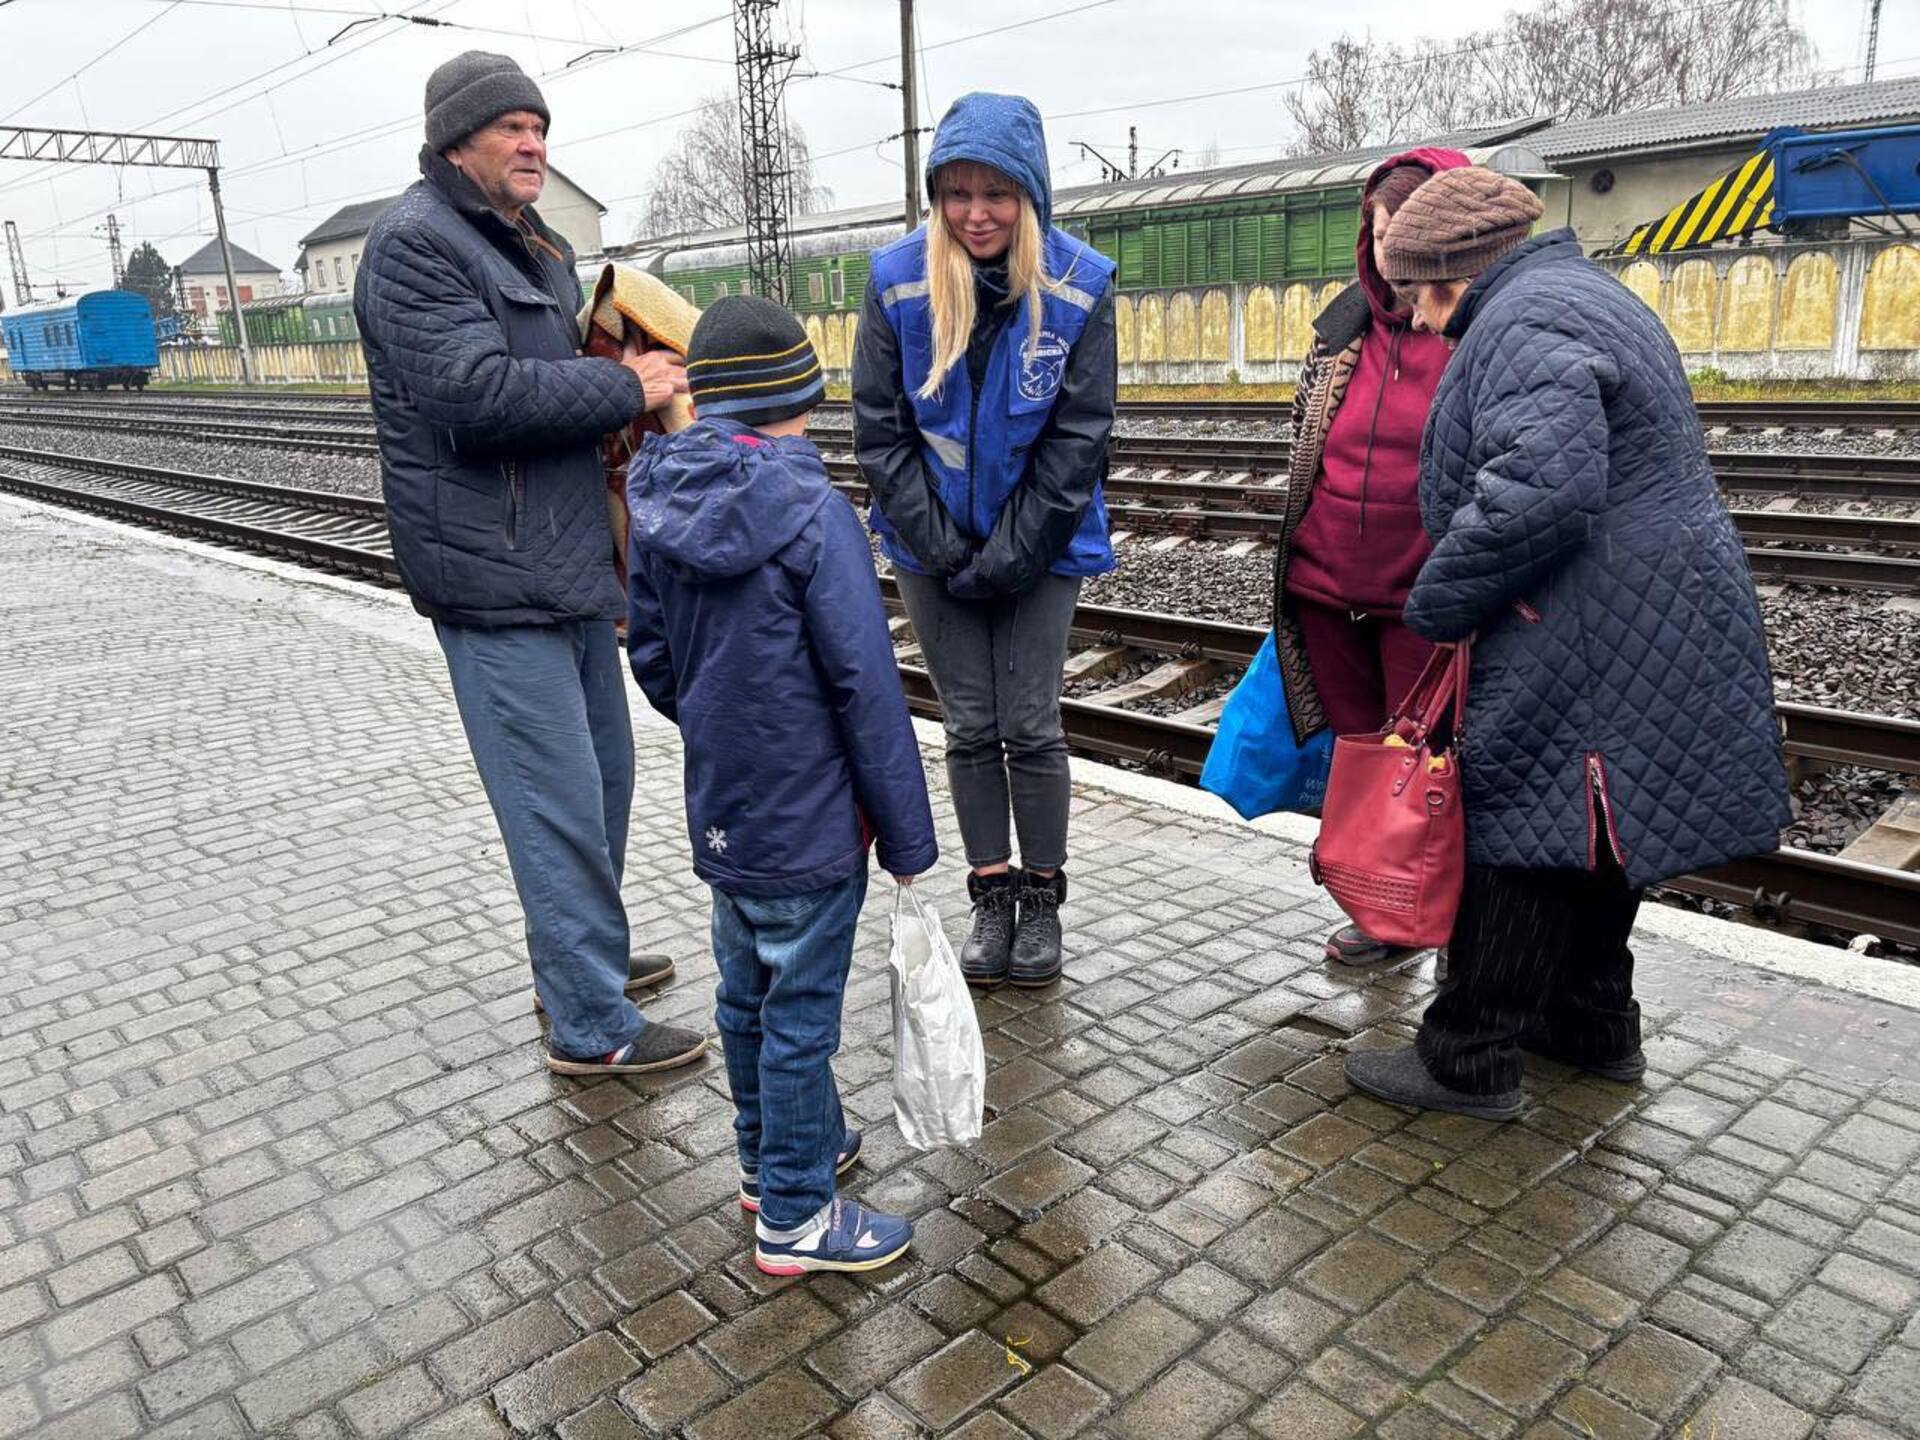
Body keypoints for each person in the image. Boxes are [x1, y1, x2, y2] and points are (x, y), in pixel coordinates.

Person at [1344, 167, 1791, 1120]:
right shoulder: (1582, 294)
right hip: (1645, 612)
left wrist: (1440, 601)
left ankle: (1468, 1058)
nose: (1414, 316)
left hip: (1583, 619)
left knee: (1525, 829)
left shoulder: (1521, 319)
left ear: (1455, 274)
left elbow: (1540, 487)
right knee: (1599, 833)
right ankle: (1592, 1025)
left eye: (1416, 292)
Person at [355, 51, 704, 1075]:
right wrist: (628, 389)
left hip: (567, 559)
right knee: (552, 802)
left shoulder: (536, 245)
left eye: (540, 127)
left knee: (602, 780)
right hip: (492, 571)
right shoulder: (415, 245)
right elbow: (474, 396)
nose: (532, 144)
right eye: (510, 127)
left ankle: (582, 962)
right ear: (455, 140)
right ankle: (591, 1026)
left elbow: (552, 376)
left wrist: (615, 359)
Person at [625, 295, 938, 1275]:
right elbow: (865, 687)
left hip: (726, 812)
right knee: (799, 1020)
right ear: (801, 397)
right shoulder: (814, 511)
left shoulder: (660, 497)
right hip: (812, 823)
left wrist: (724, 728)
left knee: (744, 999)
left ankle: (770, 1163)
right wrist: (908, 837)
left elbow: (654, 660)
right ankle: (798, 1218)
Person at [852, 92, 1118, 991]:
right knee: (970, 727)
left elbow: (1080, 437)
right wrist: (939, 545)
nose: (976, 214)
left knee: (1031, 725)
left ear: (1029, 196)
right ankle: (991, 892)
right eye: (957, 194)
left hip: (1043, 547)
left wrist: (1010, 551)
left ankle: (1042, 896)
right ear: (936, 198)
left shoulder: (1080, 283)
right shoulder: (897, 280)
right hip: (931, 549)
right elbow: (880, 431)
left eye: (996, 193)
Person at [1273, 148, 1470, 968]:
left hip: (1421, 597)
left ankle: (1445, 917)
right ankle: (1381, 910)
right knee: (1360, 761)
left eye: (1407, 235)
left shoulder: (1470, 331)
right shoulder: (1341, 326)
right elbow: (1304, 441)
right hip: (1326, 588)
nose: (1391, 256)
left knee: (1431, 768)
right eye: (1380, 235)